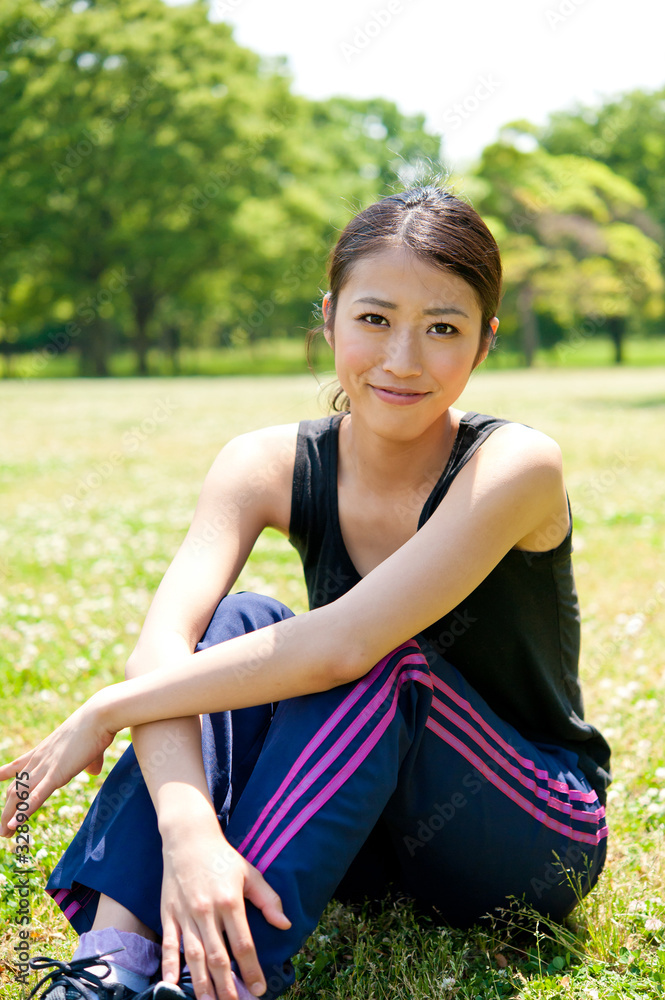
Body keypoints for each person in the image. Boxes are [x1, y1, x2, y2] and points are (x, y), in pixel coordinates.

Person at [0, 186, 611, 1000]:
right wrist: (187, 832)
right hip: (358, 833)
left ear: (483, 344)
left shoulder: (515, 465)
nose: (400, 358)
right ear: (328, 318)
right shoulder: (265, 464)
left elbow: (342, 647)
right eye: (373, 319)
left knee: (387, 660)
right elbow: (164, 647)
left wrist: (108, 709)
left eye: (441, 329)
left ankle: (215, 983)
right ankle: (114, 962)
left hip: (528, 829)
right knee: (239, 621)